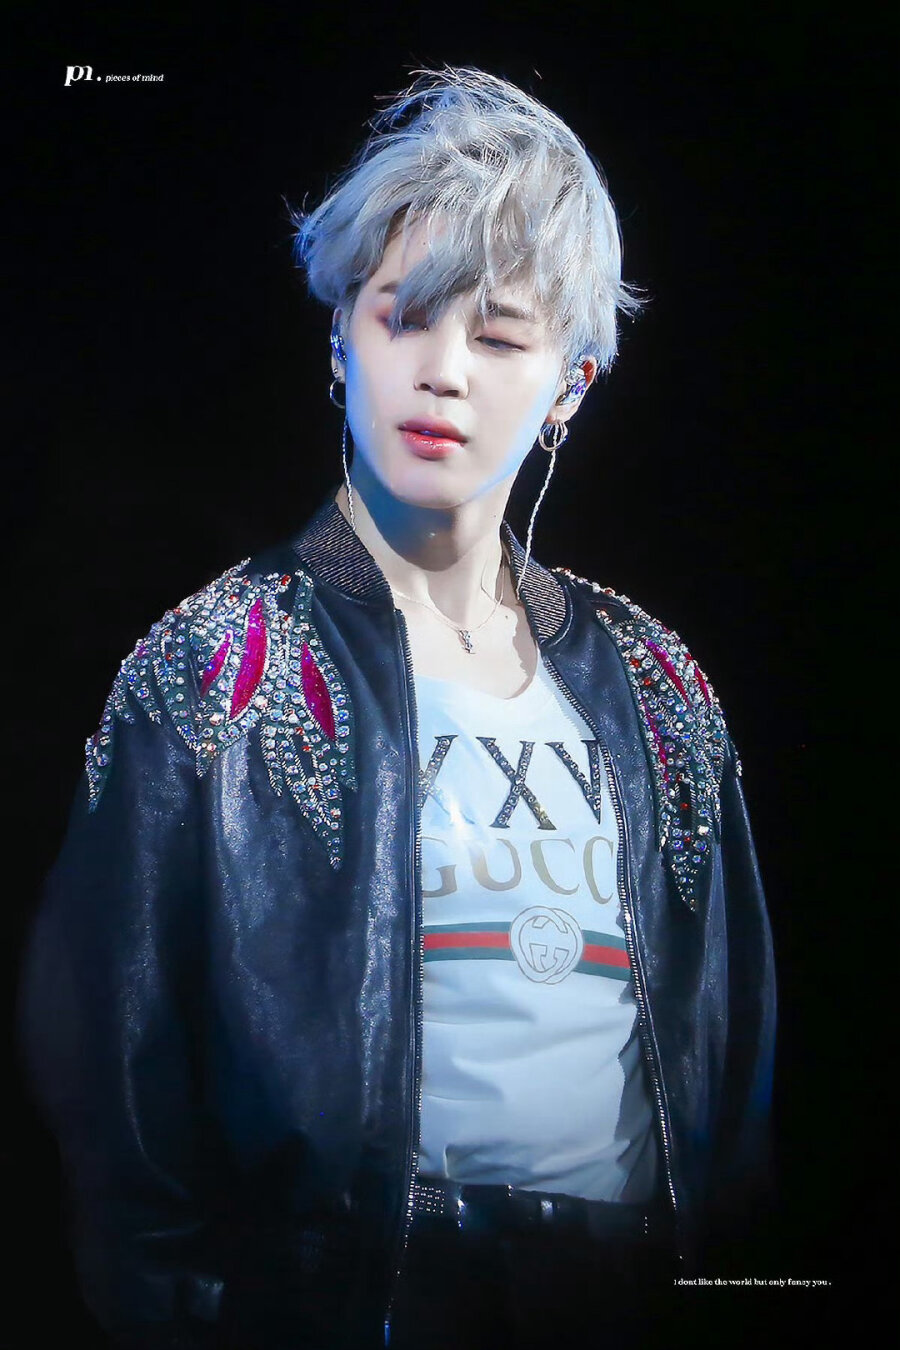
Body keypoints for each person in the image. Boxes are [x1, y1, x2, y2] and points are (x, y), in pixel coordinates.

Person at [19, 66, 776, 1350]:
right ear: (339, 337)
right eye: (404, 318)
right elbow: (111, 1091)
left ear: (573, 382)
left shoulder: (657, 686)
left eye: (500, 337)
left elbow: (736, 1065)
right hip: (347, 1306)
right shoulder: (217, 665)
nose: (443, 373)